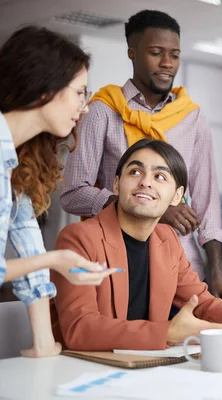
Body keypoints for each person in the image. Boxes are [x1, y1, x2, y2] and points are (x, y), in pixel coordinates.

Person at [60, 10, 222, 307]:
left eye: (175, 54)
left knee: (187, 349)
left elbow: (207, 204)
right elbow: (73, 193)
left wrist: (217, 271)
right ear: (132, 53)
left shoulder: (192, 117)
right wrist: (153, 209)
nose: (167, 63)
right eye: (156, 53)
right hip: (117, 261)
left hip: (184, 266)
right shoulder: (103, 111)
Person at [51, 139, 222, 351]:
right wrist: (168, 332)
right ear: (117, 184)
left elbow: (198, 297)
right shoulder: (78, 238)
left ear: (177, 196)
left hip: (145, 365)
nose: (145, 182)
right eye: (135, 171)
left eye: (160, 176)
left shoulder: (166, 238)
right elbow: (79, 329)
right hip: (87, 372)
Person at [0, 26, 118, 357]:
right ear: (44, 87)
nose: (86, 107)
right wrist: (58, 260)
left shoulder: (16, 158)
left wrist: (43, 344)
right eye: (80, 92)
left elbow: (28, 246)